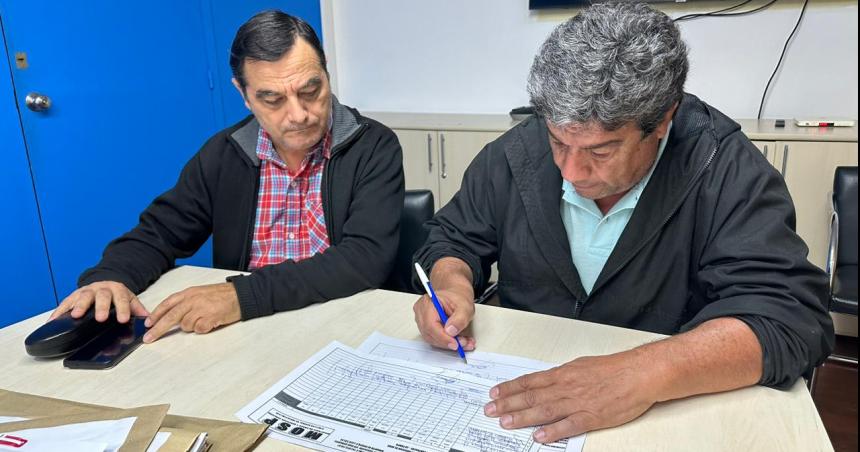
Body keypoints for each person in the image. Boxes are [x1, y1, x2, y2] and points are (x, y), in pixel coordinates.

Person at [412, 2, 833, 443]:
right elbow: (453, 238)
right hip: (526, 391)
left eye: (600, 151)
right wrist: (450, 285)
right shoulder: (518, 150)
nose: (571, 173)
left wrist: (646, 371)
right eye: (557, 141)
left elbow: (790, 319)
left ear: (663, 120)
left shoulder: (722, 167)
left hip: (667, 410)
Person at [49, 10, 404, 343]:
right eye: (272, 99)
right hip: (245, 332)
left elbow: (364, 258)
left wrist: (240, 296)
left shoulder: (372, 145)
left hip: (342, 320)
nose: (298, 114)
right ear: (244, 95)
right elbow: (159, 232)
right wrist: (110, 276)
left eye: (310, 91)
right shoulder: (224, 153)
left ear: (327, 75)